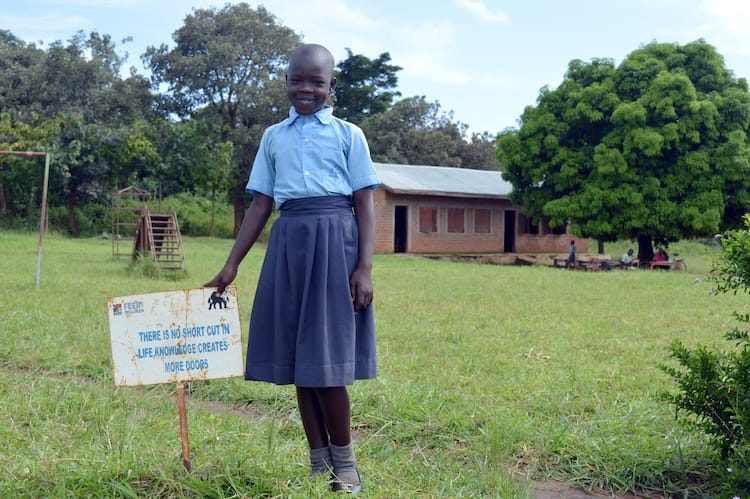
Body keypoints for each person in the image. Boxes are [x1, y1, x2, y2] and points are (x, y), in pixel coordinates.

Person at [205, 43, 379, 493]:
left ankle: (347, 466)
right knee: (303, 365)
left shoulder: (348, 135)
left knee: (327, 365)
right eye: (296, 80)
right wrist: (231, 265)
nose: (305, 89)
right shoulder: (273, 138)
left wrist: (364, 267)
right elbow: (261, 204)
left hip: (335, 245)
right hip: (289, 246)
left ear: (331, 86)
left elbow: (364, 201)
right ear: (286, 83)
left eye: (316, 82)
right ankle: (319, 465)